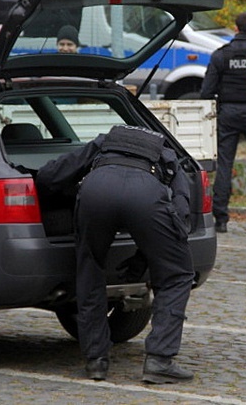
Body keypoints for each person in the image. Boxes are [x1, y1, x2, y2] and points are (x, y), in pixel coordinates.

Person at [35, 124, 195, 384]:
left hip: (96, 192)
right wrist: (148, 258)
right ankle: (159, 360)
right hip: (146, 196)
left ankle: (96, 361)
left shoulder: (103, 142)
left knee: (90, 269)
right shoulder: (167, 152)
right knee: (177, 275)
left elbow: (50, 176)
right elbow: (181, 208)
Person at [200, 12, 246, 233]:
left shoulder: (221, 55)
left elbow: (206, 91)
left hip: (228, 113)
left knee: (225, 166)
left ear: (235, 28)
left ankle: (221, 219)